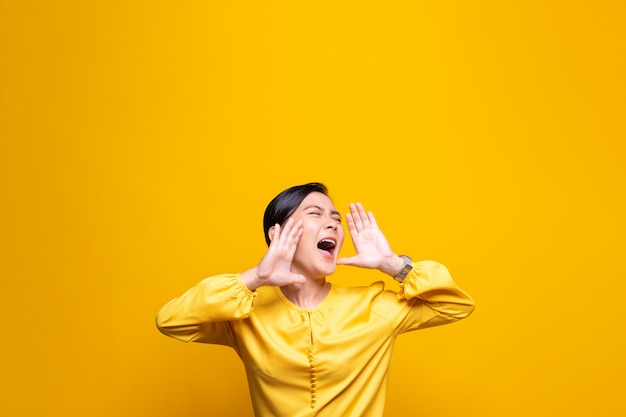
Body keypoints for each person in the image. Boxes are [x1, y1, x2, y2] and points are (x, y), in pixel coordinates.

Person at [156, 182, 475, 417]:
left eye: (335, 218)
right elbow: (171, 321)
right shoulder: (246, 315)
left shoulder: (374, 307)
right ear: (277, 233)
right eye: (315, 213)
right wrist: (256, 277)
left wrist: (392, 263)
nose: (333, 224)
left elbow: (456, 305)